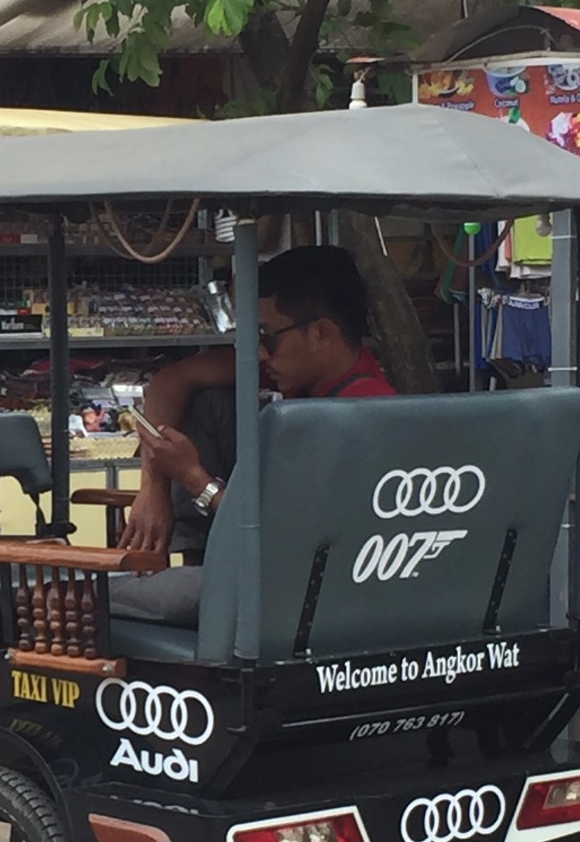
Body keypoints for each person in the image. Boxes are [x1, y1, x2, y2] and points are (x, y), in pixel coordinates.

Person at [109, 246, 396, 627]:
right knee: (207, 400)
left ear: (321, 333)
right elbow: (171, 382)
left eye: (266, 336)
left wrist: (194, 478)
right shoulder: (302, 377)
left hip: (299, 591)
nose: (258, 353)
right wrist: (154, 487)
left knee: (81, 592)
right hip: (257, 573)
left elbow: (286, 540)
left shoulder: (362, 413)